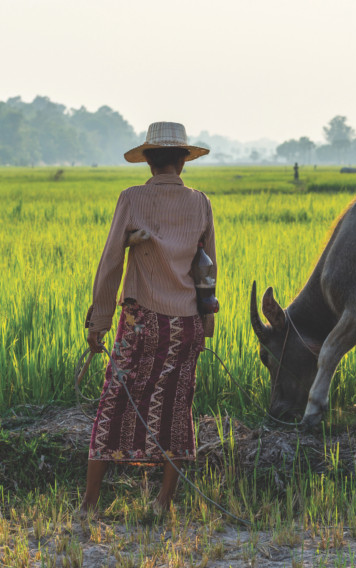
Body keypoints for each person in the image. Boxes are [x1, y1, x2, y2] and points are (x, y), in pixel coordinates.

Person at [81, 121, 216, 517]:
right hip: (186, 324)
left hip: (141, 323)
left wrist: (99, 321)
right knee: (176, 407)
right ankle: (161, 503)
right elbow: (207, 268)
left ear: (149, 161)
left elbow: (110, 263)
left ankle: (89, 505)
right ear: (183, 161)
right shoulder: (201, 202)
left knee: (114, 404)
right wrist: (206, 323)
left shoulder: (132, 198)